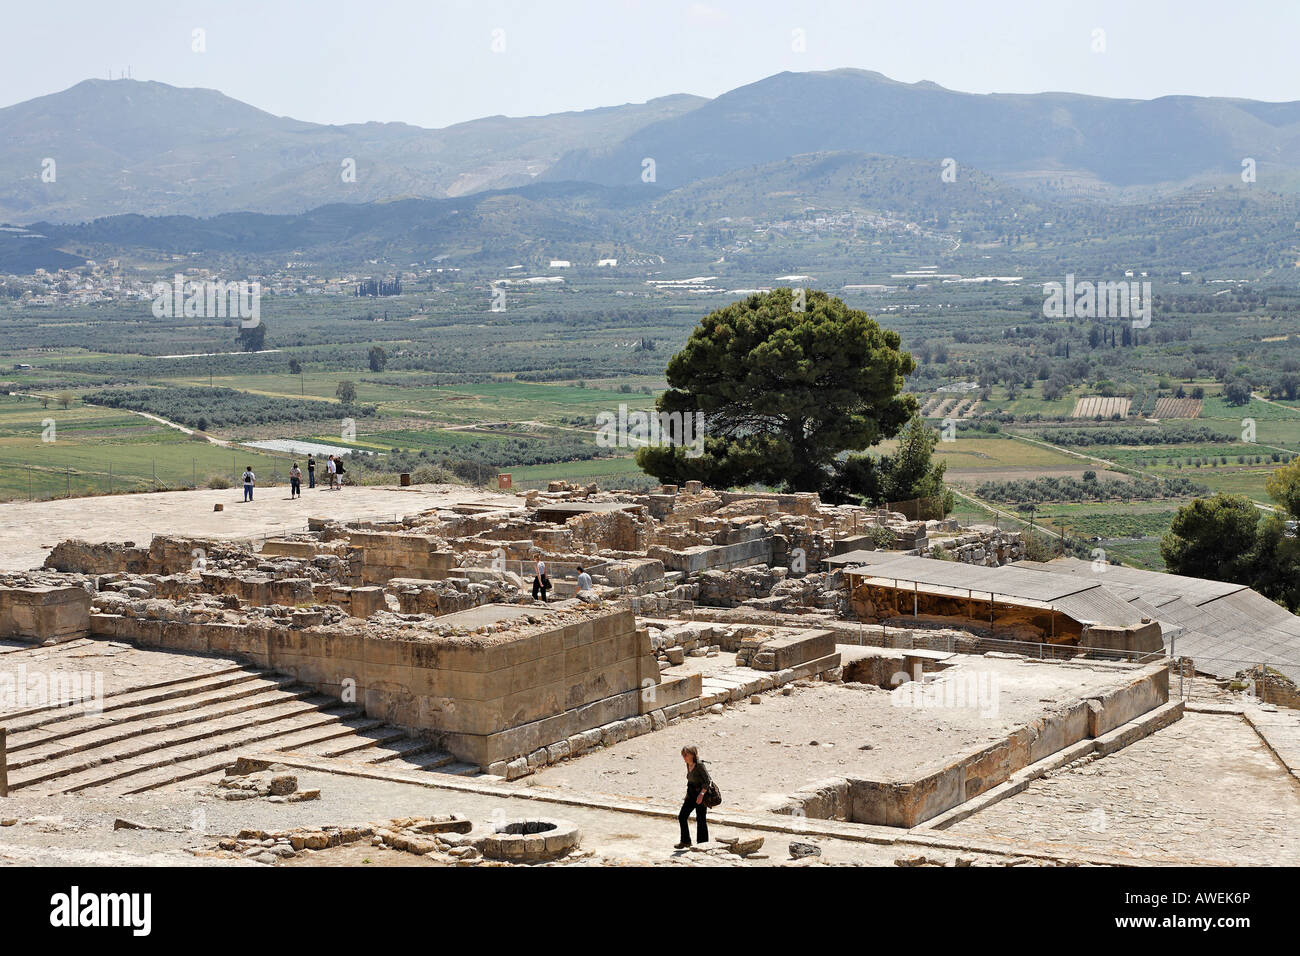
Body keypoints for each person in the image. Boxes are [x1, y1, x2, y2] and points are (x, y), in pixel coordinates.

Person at [676, 744, 711, 848]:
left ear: (692, 755)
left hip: (701, 795)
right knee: (682, 816)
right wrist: (687, 794)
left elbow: (707, 781)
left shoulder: (699, 765)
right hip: (691, 795)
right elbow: (690, 781)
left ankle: (703, 845)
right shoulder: (688, 764)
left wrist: (701, 794)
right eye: (683, 755)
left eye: (686, 755)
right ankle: (685, 841)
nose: (684, 757)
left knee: (701, 820)